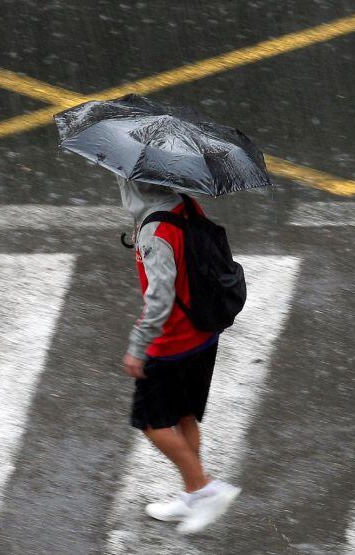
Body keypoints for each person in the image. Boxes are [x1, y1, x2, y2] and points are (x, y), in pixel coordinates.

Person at [117, 176, 241, 535]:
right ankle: (193, 492)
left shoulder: (155, 231)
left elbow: (160, 299)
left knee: (152, 423)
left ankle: (205, 488)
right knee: (184, 416)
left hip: (172, 342)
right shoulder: (183, 205)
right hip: (202, 334)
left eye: (124, 183)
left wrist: (138, 347)